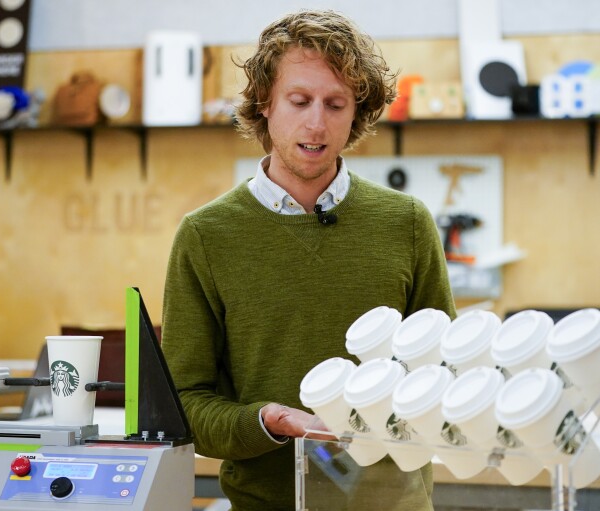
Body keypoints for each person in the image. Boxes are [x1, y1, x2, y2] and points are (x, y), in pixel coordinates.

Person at [161, 9, 456, 510]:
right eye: (299, 101)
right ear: (264, 105)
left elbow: (444, 370)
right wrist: (266, 422)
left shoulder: (406, 222)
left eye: (335, 104)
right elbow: (185, 405)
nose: (316, 123)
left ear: (356, 115)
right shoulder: (206, 235)